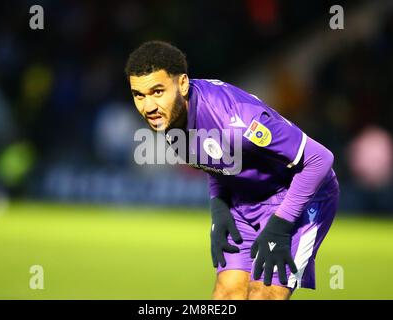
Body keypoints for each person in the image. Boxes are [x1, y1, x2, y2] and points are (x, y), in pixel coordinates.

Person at [125, 41, 339, 300]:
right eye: (139, 95)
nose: (148, 106)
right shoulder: (170, 116)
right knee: (227, 294)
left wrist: (281, 224)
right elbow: (215, 160)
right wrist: (219, 207)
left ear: (182, 83)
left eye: (157, 91)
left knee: (264, 295)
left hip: (297, 196)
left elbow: (320, 159)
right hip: (244, 198)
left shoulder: (236, 122)